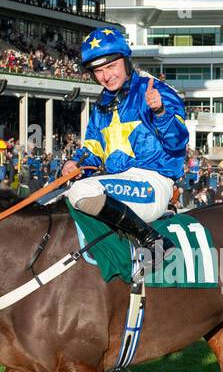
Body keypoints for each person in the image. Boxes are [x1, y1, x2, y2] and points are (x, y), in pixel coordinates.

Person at [62, 28, 187, 256]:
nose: (106, 76)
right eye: (98, 71)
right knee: (61, 198)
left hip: (152, 184)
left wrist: (159, 111)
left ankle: (154, 242)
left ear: (126, 61)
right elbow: (93, 149)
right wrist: (74, 164)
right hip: (120, 183)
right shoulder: (101, 106)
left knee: (81, 191)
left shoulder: (156, 90)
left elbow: (178, 142)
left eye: (110, 67)